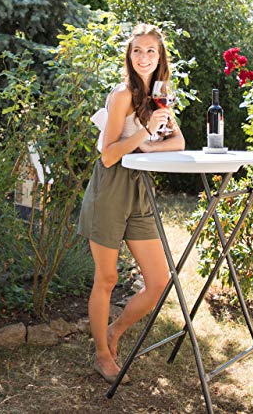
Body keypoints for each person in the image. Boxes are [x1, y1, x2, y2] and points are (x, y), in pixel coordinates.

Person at [77, 24, 185, 384]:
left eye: (151, 50)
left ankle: (114, 331)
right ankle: (102, 355)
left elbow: (178, 142)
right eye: (137, 50)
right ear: (129, 55)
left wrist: (148, 145)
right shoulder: (122, 95)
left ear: (160, 56)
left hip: (139, 186)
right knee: (107, 278)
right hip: (110, 187)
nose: (144, 57)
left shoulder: (158, 96)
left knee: (158, 282)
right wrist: (144, 132)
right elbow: (108, 155)